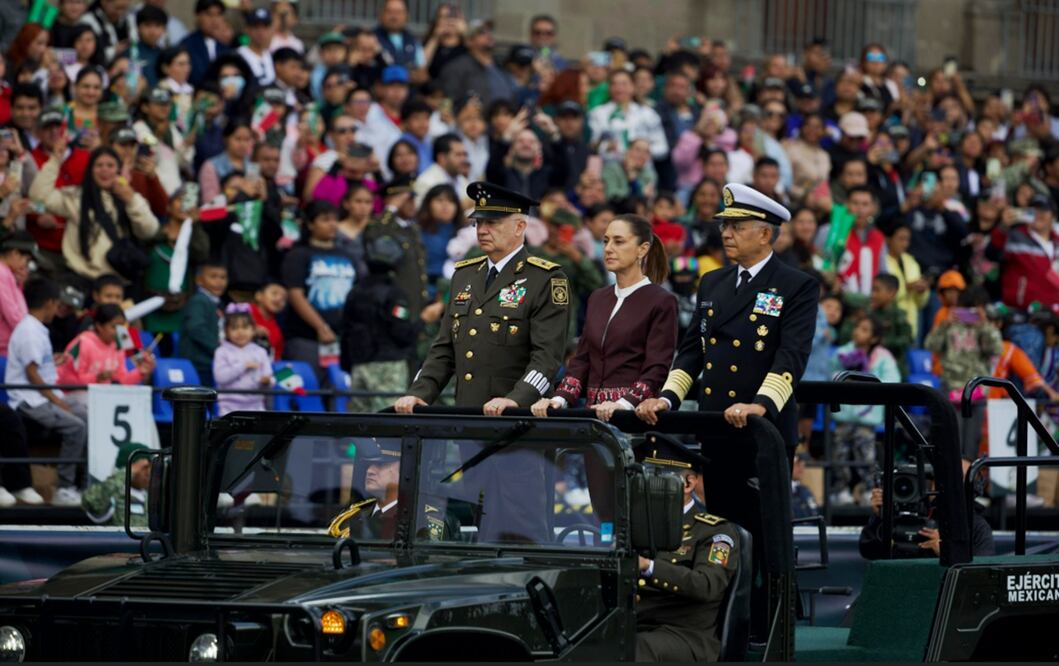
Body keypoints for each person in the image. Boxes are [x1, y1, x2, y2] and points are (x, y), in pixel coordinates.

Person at [396, 181, 569, 414]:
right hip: (469, 416)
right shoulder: (464, 274)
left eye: (492, 223)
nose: (482, 230)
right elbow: (444, 349)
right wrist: (418, 393)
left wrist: (516, 400)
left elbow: (547, 358)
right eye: (478, 222)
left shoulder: (544, 278)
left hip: (519, 422)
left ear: (519, 227)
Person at [532, 214, 677, 420]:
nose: (608, 248)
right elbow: (581, 360)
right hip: (593, 419)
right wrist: (559, 399)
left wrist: (623, 404)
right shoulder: (598, 297)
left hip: (634, 419)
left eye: (619, 242)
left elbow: (657, 367)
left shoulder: (661, 300)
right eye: (606, 241)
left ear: (642, 249)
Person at [633, 433, 741, 663]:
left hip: (684, 635)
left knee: (634, 650)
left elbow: (706, 585)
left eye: (656, 477)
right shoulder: (634, 524)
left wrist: (648, 567)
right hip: (631, 624)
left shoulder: (714, 533)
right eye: (643, 476)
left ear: (688, 483)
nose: (645, 484)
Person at [5, 278, 87, 507]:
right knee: (76, 426)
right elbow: (31, 374)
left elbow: (36, 365)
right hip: (29, 400)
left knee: (87, 414)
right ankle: (64, 487)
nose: (58, 308)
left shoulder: (36, 328)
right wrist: (55, 400)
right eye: (57, 303)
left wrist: (54, 361)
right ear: (50, 302)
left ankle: (85, 482)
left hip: (45, 396)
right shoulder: (30, 331)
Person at [29, 140, 159, 282]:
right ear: (90, 170)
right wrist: (54, 161)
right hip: (84, 279)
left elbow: (149, 231)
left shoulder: (131, 198)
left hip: (120, 282)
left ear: (118, 170)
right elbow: (39, 196)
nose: (104, 170)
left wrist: (131, 199)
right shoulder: (76, 197)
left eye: (110, 165)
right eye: (99, 165)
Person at [341, 236, 442, 413]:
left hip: (358, 365)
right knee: (385, 425)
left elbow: (345, 330)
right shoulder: (394, 294)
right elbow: (402, 333)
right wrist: (423, 320)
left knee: (357, 427)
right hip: (389, 367)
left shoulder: (354, 292)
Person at [830, 315, 901, 505]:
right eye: (857, 327)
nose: (857, 332)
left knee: (866, 457)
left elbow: (892, 381)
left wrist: (866, 377)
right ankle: (840, 491)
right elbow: (830, 374)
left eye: (864, 329)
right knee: (839, 454)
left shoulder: (883, 357)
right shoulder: (842, 352)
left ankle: (871, 490)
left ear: (874, 338)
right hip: (843, 417)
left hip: (866, 421)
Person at [860, 460, 995, 559]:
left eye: (958, 478)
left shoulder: (976, 526)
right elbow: (869, 552)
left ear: (972, 489)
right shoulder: (902, 511)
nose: (948, 483)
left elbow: (980, 572)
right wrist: (880, 517)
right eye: (944, 476)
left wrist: (948, 552)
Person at [281, 201, 355, 373]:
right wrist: (321, 327)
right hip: (306, 337)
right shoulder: (298, 255)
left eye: (335, 220)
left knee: (340, 393)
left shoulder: (347, 256)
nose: (332, 224)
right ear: (310, 224)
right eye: (325, 220)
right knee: (309, 392)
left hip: (342, 338)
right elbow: (295, 295)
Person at [363, 176, 429, 325]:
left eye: (413, 199)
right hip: (393, 303)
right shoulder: (383, 226)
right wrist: (390, 209)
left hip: (415, 303)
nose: (412, 204)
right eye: (407, 199)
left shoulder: (412, 228)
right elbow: (374, 238)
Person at [57, 303, 156, 395]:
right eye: (113, 326)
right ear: (99, 326)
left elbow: (121, 380)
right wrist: (96, 378)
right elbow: (65, 379)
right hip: (70, 395)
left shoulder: (118, 343)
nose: (119, 331)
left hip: (101, 396)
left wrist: (140, 372)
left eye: (121, 326)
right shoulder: (82, 343)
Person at [213, 305, 273, 416]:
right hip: (229, 409)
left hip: (257, 407)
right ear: (226, 331)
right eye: (234, 328)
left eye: (245, 327)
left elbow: (269, 377)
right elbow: (220, 378)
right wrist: (243, 366)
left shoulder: (260, 352)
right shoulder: (221, 351)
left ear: (253, 330)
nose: (240, 332)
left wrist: (268, 381)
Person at [178, 260, 227, 386]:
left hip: (211, 362)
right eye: (213, 276)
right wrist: (220, 350)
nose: (219, 281)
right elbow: (196, 328)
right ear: (199, 280)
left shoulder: (216, 303)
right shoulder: (199, 301)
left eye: (223, 277)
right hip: (199, 364)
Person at [82, 441, 151, 527]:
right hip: (120, 540)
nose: (148, 472)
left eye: (150, 467)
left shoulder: (152, 496)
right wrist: (127, 472)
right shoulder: (114, 493)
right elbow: (91, 501)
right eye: (144, 467)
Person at [0, 230, 32, 356]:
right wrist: (31, 335)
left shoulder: (7, 273)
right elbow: (13, 315)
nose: (25, 266)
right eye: (26, 260)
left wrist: (19, 284)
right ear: (15, 253)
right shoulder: (2, 273)